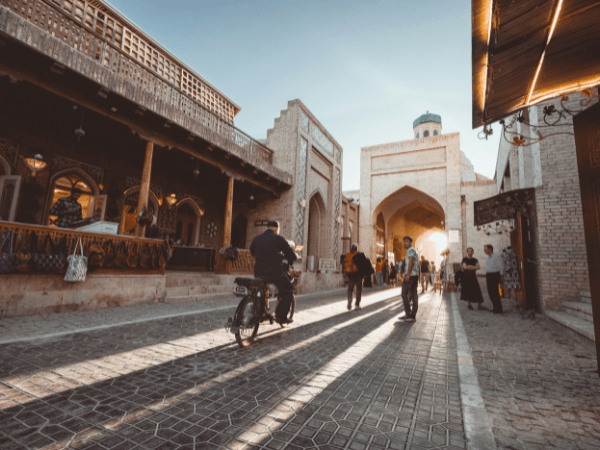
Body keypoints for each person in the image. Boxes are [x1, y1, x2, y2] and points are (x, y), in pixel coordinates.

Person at [249, 221, 297, 326]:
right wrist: (293, 257)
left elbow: (252, 251)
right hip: (274, 272)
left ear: (267, 228)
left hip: (258, 271)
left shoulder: (257, 238)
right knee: (288, 288)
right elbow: (290, 253)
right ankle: (281, 316)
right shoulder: (278, 238)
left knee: (261, 289)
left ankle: (261, 312)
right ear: (277, 229)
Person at [400, 236, 419, 322]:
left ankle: (408, 314)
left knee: (404, 294)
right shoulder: (414, 251)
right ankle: (412, 315)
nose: (405, 243)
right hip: (415, 275)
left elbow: (411, 261)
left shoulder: (411, 250)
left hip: (410, 275)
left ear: (411, 242)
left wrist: (407, 274)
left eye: (407, 241)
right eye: (404, 242)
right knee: (414, 294)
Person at [484, 244, 504, 314]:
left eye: (485, 249)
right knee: (490, 293)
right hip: (489, 275)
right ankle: (495, 307)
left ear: (490, 249)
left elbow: (501, 267)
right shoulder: (488, 258)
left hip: (494, 275)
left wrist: (501, 277)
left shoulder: (496, 257)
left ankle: (499, 309)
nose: (484, 250)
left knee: (495, 292)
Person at [343, 243, 363, 311]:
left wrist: (345, 273)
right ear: (357, 248)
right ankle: (357, 305)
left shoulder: (348, 255)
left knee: (350, 289)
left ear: (351, 248)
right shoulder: (360, 254)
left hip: (350, 275)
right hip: (359, 275)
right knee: (358, 289)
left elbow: (344, 264)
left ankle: (349, 301)